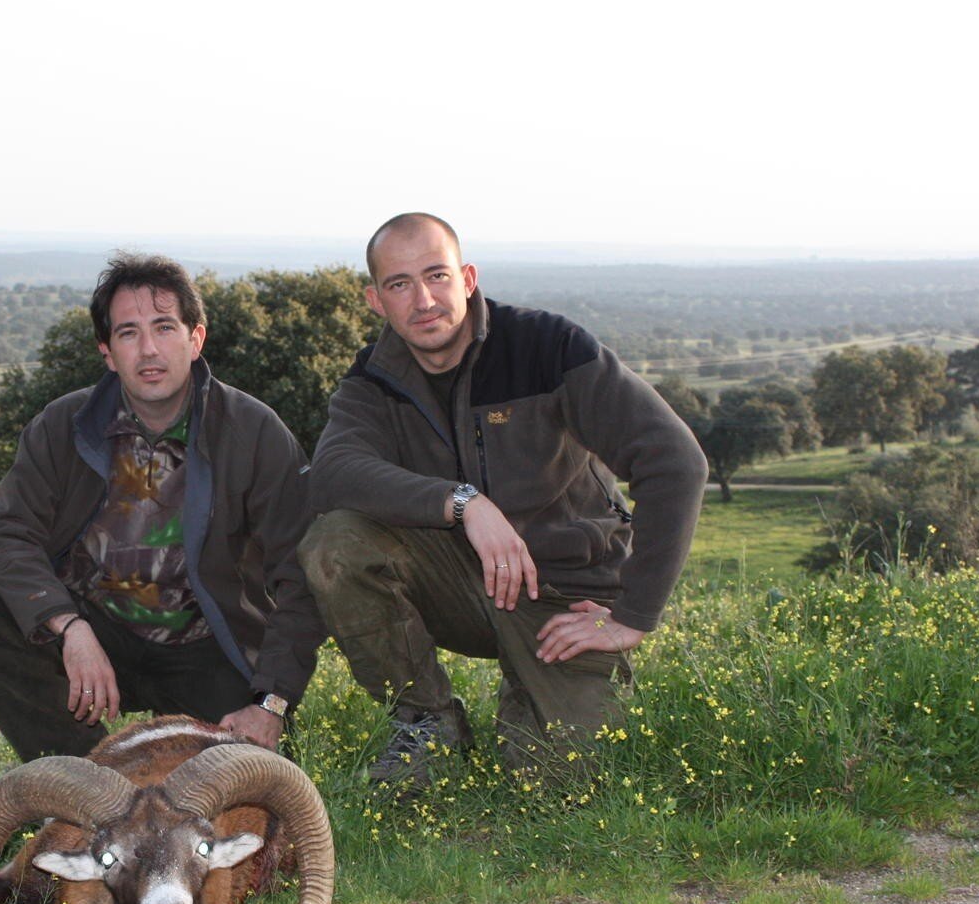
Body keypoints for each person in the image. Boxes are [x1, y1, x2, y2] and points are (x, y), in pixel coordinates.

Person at [302, 213, 707, 793]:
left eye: (437, 276)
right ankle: (428, 722)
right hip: (460, 584)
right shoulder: (375, 377)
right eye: (399, 284)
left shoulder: (547, 347)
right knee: (335, 543)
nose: (423, 299)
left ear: (467, 278)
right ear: (375, 300)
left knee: (558, 786)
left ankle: (531, 689)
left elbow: (676, 462)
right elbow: (333, 475)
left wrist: (632, 617)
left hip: (563, 597)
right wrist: (464, 503)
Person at [0, 251, 321, 761]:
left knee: (251, 792)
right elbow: (2, 532)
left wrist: (270, 703)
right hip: (96, 634)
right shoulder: (64, 425)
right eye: (128, 333)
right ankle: (89, 781)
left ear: (196, 338)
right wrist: (69, 627)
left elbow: (301, 572)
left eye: (164, 328)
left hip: (205, 645)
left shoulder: (252, 431)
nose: (148, 350)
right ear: (107, 352)